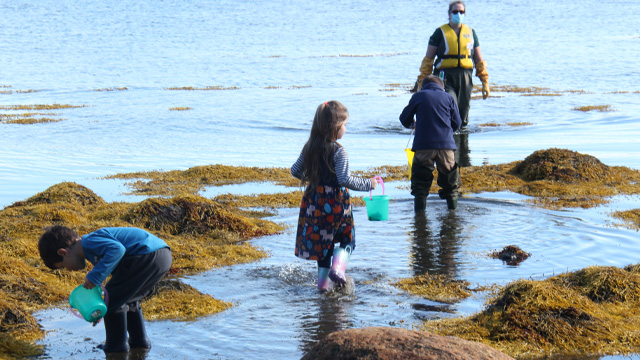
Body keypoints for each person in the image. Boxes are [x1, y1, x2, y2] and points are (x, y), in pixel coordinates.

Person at [38, 225, 172, 353]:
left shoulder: (89, 242)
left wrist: (95, 276)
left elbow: (117, 249)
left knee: (112, 301)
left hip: (146, 254)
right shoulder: (91, 246)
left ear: (63, 252)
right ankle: (139, 343)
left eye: (63, 266)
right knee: (128, 299)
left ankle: (116, 347)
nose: (67, 270)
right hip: (161, 256)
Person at [291, 100, 378, 291]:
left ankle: (323, 286)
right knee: (347, 239)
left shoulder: (310, 147)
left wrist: (312, 178)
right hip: (337, 204)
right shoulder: (339, 152)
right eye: (345, 125)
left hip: (315, 202)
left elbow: (295, 170)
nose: (346, 128)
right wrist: (368, 184)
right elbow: (344, 179)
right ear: (335, 127)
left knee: (324, 244)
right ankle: (338, 269)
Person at [410, 0, 489, 129]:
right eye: (455, 11)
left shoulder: (471, 33)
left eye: (461, 12)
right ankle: (446, 138)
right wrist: (421, 81)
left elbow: (479, 60)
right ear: (449, 14)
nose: (458, 14)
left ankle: (462, 144)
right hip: (444, 76)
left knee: (463, 112)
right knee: (449, 104)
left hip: (465, 76)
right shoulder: (439, 33)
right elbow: (428, 60)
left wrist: (485, 81)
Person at [400, 75, 462, 211]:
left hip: (423, 146)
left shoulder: (418, 96)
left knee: (420, 185)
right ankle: (453, 215)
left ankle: (419, 217)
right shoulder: (449, 97)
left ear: (422, 87)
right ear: (442, 87)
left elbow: (404, 119)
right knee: (450, 184)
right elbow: (457, 123)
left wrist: (414, 124)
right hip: (446, 147)